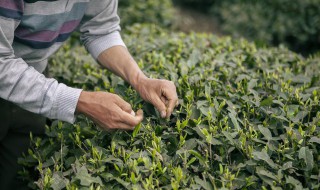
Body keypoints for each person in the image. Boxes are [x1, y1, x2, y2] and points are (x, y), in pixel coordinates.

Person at [0, 0, 179, 189]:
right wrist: (80, 101)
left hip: (35, 79)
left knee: (15, 172)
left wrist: (140, 80)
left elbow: (102, 30)